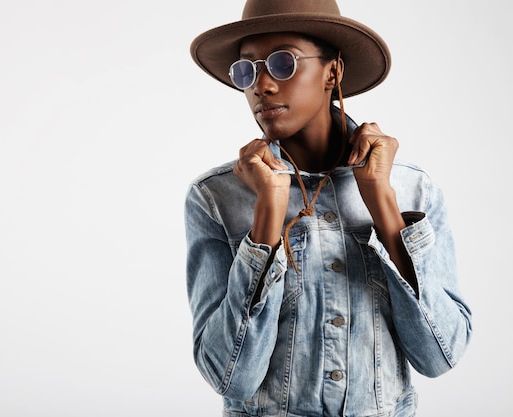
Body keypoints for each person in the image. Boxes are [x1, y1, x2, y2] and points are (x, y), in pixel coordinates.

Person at [184, 0, 472, 416]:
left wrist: (382, 202)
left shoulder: (413, 190)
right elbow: (230, 378)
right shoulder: (215, 198)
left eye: (283, 63)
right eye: (247, 70)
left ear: (333, 71)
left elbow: (439, 356)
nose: (261, 85)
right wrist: (267, 217)